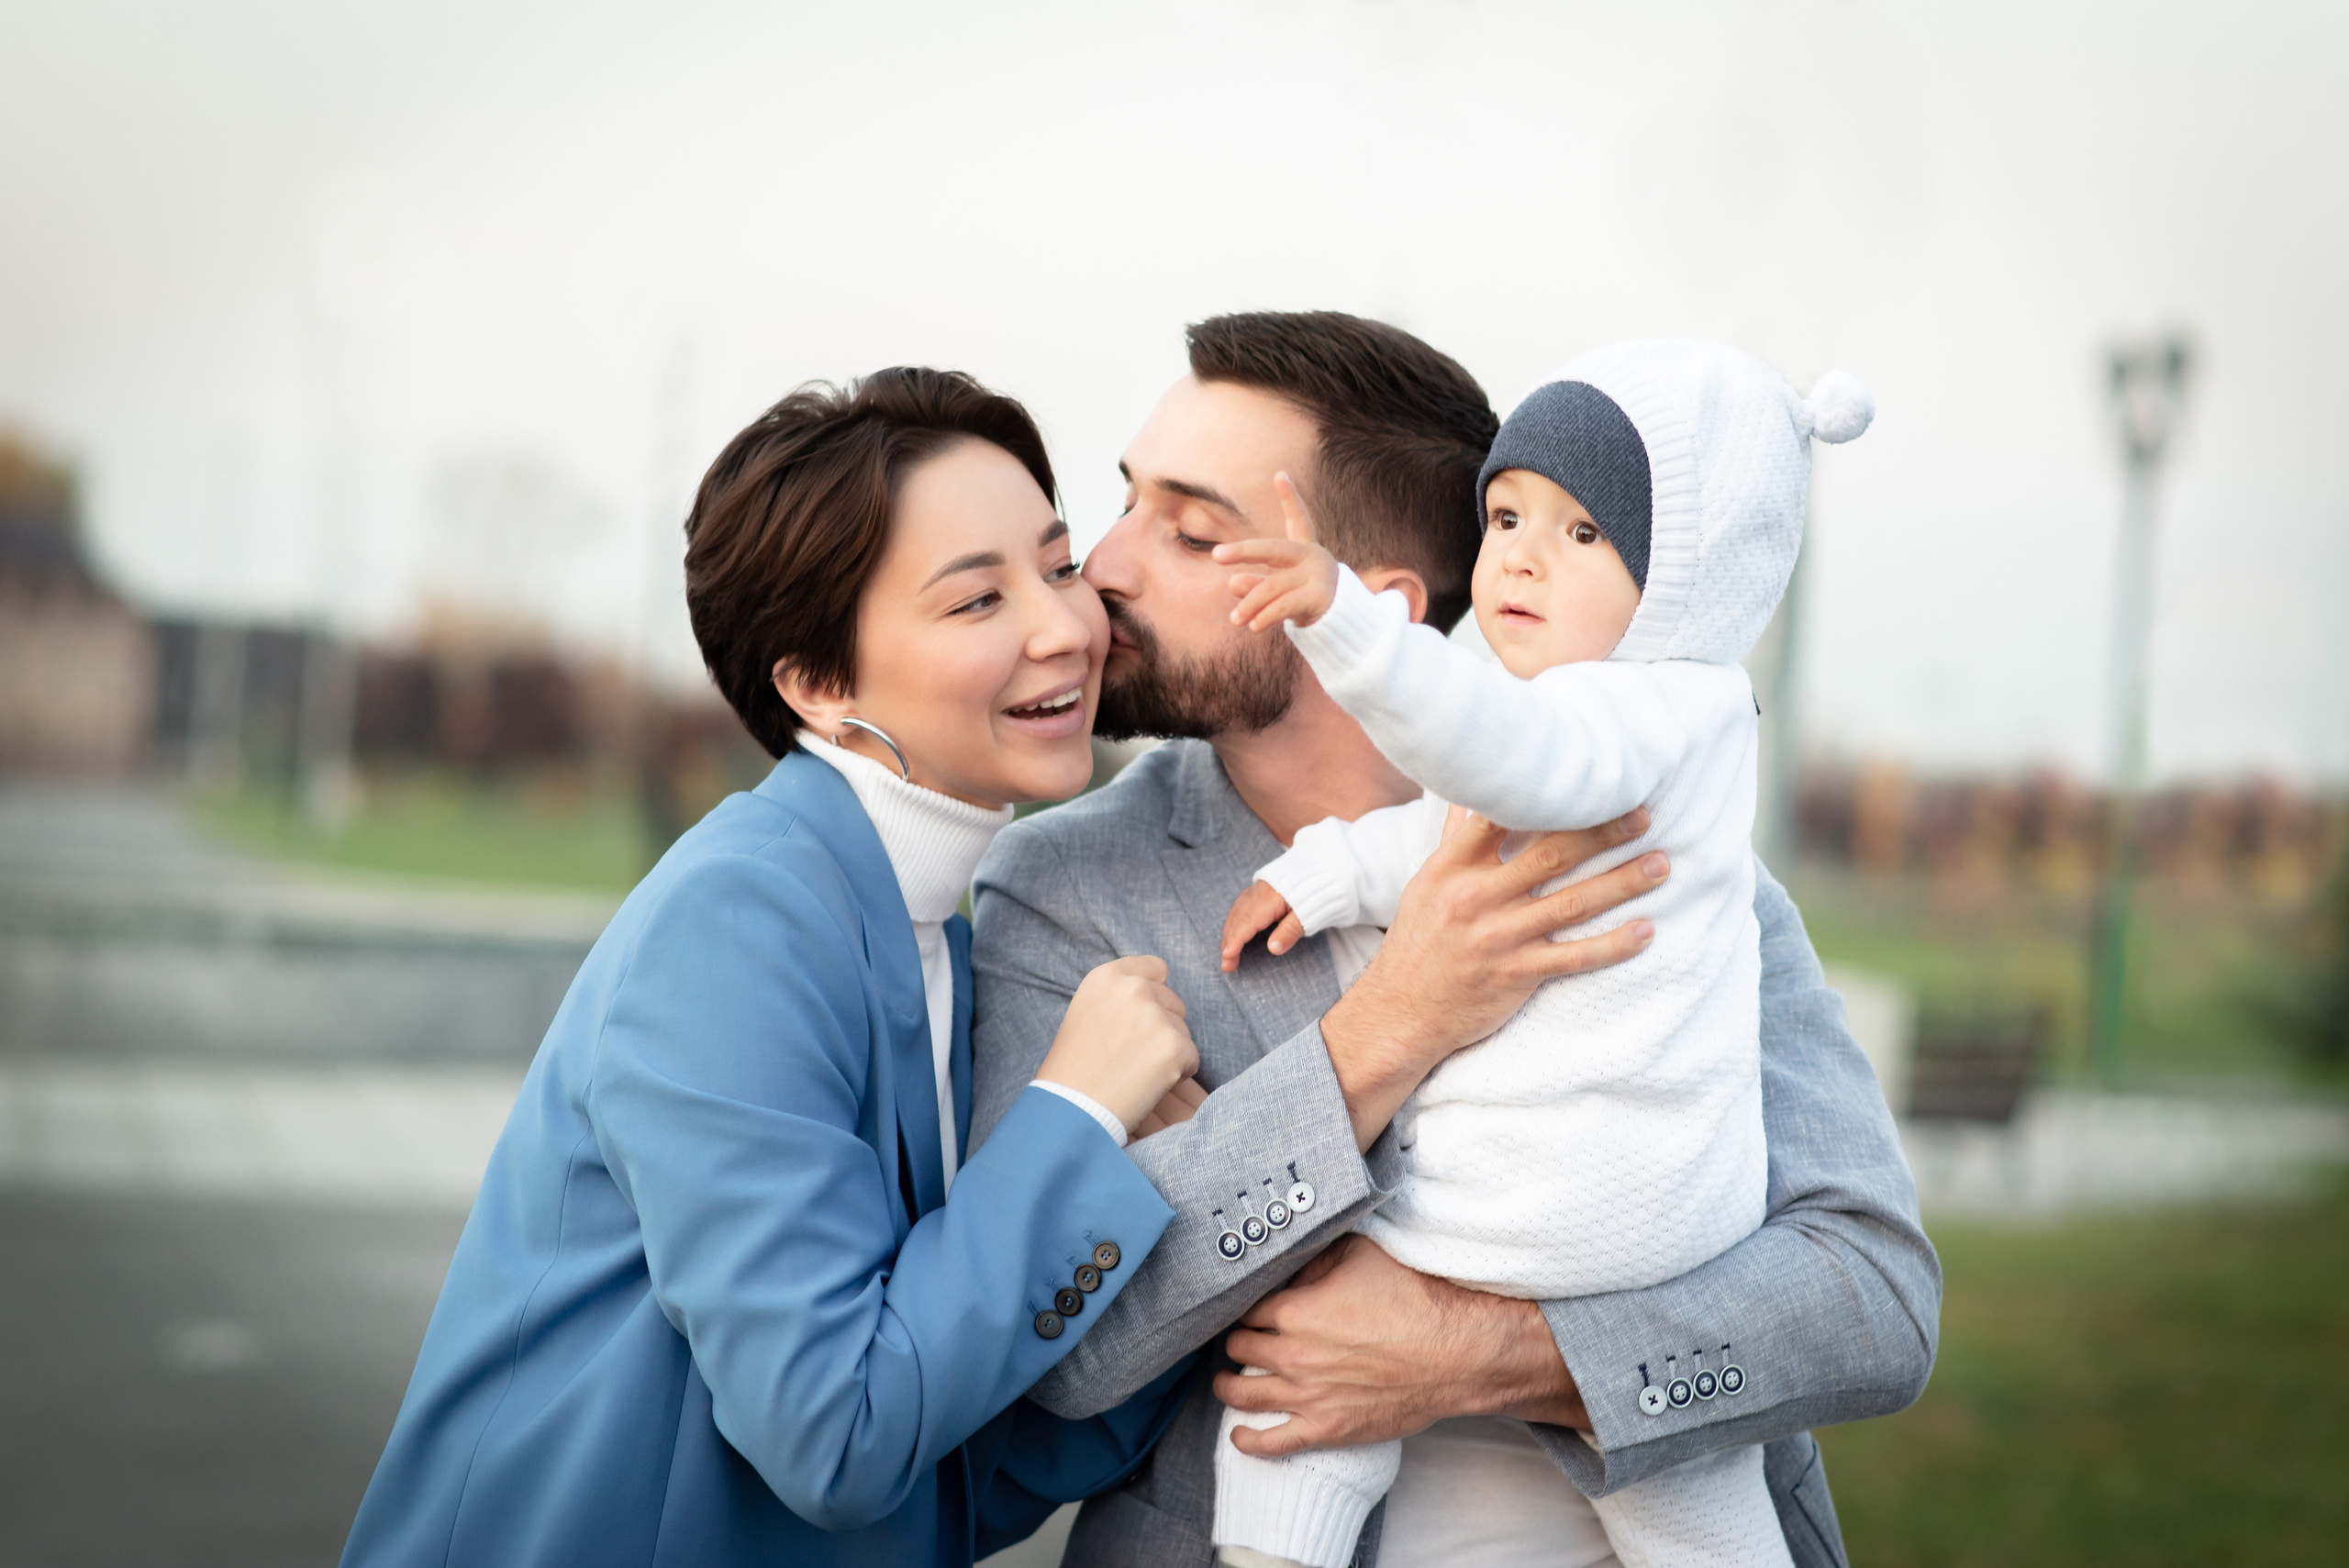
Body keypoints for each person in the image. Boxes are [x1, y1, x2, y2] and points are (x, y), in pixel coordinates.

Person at [968, 313, 1939, 1568]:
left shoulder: (1660, 856)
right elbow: (1056, 1343)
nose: (1102, 566)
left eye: (1194, 531)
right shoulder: (1061, 889)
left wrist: (1478, 1351)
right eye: (1125, 503)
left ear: (1365, 612)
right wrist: (1391, 1023)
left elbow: (1872, 1298)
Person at [340, 368, 1208, 1567]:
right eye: (975, 602)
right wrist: (1075, 1112)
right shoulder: (740, 918)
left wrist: (1220, 1248)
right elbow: (838, 1433)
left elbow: (954, 1457)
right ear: (817, 684)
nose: (1065, 625)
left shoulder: (931, 926)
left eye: (1058, 566)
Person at [1206, 340, 1876, 1568]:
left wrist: (1342, 623)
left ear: (1683, 576)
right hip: (1638, 1218)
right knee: (1685, 1494)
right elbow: (1452, 828)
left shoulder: (1657, 704)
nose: (1516, 552)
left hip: (1567, 1208)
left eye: (1581, 535)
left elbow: (1497, 758)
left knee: (1302, 1398)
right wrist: (1337, 869)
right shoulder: (1606, 726)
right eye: (1506, 513)